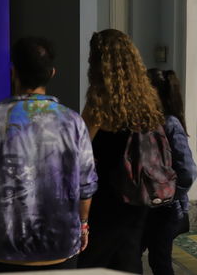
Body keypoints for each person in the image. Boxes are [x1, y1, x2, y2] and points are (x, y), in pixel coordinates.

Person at [0, 37, 98, 273]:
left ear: (13, 72)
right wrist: (83, 224)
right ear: (52, 73)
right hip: (59, 248)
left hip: (1, 248)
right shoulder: (73, 122)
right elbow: (86, 184)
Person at [77, 29, 165, 274]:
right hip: (138, 192)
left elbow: (80, 148)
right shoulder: (147, 99)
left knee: (94, 261)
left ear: (99, 63)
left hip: (106, 196)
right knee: (128, 257)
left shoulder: (99, 103)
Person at [142, 68, 197, 275]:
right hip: (151, 205)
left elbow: (188, 170)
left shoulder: (170, 123)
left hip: (165, 208)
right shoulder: (151, 121)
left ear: (155, 91)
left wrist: (170, 194)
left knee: (160, 261)